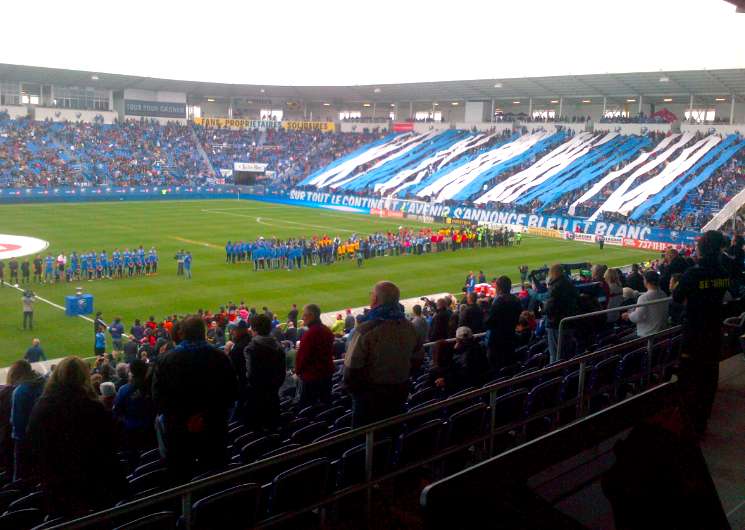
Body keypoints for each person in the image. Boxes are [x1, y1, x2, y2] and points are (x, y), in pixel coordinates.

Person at [27, 356, 127, 517]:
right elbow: (113, 441)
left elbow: (33, 446)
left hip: (59, 487)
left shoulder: (42, 407)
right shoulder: (93, 405)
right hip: (95, 484)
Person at [152, 315, 238, 482]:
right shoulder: (220, 357)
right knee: (216, 475)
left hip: (179, 431)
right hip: (214, 426)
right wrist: (206, 416)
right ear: (203, 332)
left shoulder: (166, 360)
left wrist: (186, 418)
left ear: (182, 333)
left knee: (182, 476)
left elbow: (159, 400)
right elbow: (232, 392)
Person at [673, 231, 731, 436]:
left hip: (694, 333)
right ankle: (702, 421)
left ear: (702, 248)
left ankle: (688, 423)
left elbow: (677, 298)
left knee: (689, 378)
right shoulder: (723, 273)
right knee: (709, 378)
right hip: (714, 331)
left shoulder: (693, 274)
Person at [344, 281, 424, 427]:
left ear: (374, 299)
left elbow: (350, 372)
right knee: (392, 433)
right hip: (399, 392)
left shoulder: (365, 330)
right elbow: (418, 360)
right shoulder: (410, 328)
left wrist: (361, 394)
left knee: (364, 440)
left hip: (370, 398)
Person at [243, 314, 287, 431]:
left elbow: (250, 376)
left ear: (254, 329)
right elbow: (282, 374)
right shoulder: (279, 347)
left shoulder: (251, 348)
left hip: (257, 399)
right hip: (273, 396)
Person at [113, 359, 155, 464]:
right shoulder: (153, 385)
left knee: (134, 458)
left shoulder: (125, 389)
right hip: (151, 427)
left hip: (132, 430)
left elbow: (117, 411)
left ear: (132, 372)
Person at [10, 360, 45, 481]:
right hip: (43, 436)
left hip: (25, 440)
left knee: (21, 475)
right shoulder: (43, 383)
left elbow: (17, 424)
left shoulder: (20, 392)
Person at [295, 304, 335, 406]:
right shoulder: (326, 330)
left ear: (311, 316)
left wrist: (298, 372)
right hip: (326, 375)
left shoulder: (310, 334)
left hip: (312, 378)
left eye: (304, 315)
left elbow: (302, 358)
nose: (302, 318)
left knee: (308, 408)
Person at [484, 276, 523, 373]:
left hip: (496, 341)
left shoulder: (499, 301)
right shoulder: (516, 300)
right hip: (510, 337)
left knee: (496, 368)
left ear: (499, 288)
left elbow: (488, 322)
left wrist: (486, 312)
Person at [433, 326, 489, 391]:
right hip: (480, 385)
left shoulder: (464, 358)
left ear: (458, 340)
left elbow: (462, 376)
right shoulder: (480, 348)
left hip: (468, 389)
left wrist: (446, 380)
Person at [544, 264, 579, 364]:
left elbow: (548, 308)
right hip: (569, 322)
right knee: (566, 352)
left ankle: (555, 376)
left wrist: (542, 310)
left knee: (555, 354)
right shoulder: (569, 284)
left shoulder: (555, 287)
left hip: (556, 324)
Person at [623, 271, 669, 337]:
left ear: (647, 281)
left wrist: (628, 315)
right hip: (661, 331)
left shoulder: (644, 298)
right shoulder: (663, 294)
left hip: (647, 334)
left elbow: (637, 317)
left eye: (644, 279)